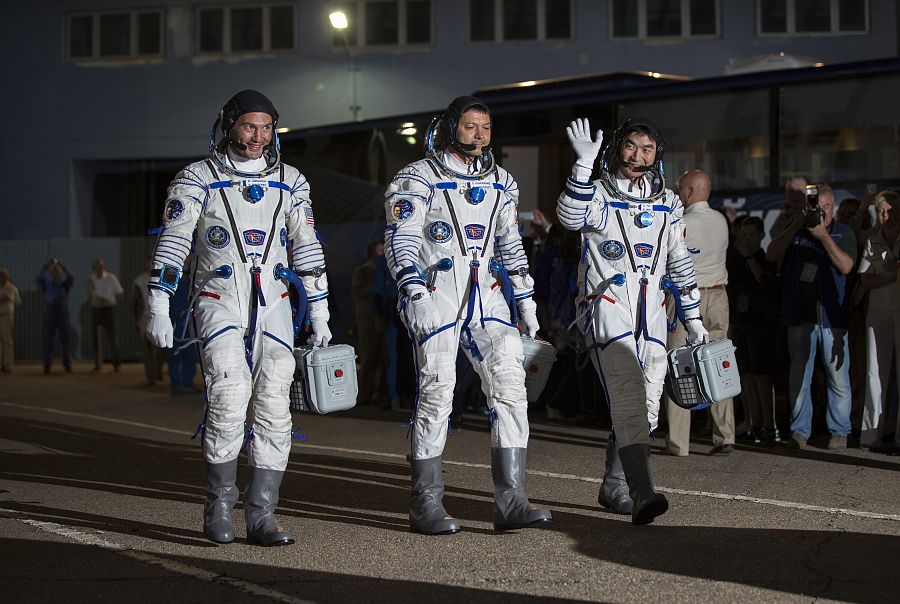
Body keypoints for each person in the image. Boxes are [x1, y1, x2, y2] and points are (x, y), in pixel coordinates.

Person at [145, 90, 332, 546]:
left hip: (274, 301)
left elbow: (306, 246)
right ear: (229, 124)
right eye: (249, 126)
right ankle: (218, 506)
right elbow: (174, 241)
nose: (257, 137)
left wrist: (322, 310)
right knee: (229, 394)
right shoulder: (197, 178)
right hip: (219, 295)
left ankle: (262, 514)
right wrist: (158, 302)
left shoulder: (291, 181)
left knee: (274, 404)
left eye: (266, 128)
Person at [384, 95, 552, 534]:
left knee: (511, 386)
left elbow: (510, 245)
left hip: (488, 295)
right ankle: (426, 503)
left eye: (486, 128)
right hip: (437, 291)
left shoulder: (502, 182)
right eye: (470, 127)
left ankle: (511, 501)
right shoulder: (418, 177)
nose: (479, 136)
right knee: (438, 391)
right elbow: (401, 239)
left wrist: (527, 301)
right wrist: (412, 288)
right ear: (450, 129)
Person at [557, 117, 708, 525]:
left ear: (657, 155)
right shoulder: (598, 192)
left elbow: (679, 260)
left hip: (653, 311)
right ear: (617, 148)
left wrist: (692, 318)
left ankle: (615, 485)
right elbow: (570, 218)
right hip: (607, 303)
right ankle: (642, 491)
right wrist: (583, 166)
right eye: (631, 147)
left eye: (647, 150)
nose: (637, 157)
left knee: (649, 401)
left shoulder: (668, 202)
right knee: (627, 390)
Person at [767, 184, 856, 450]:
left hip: (832, 317)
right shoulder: (798, 233)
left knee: (838, 379)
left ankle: (839, 431)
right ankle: (799, 431)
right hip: (800, 316)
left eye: (826, 207)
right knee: (799, 377)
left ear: (834, 209)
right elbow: (772, 254)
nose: (822, 211)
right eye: (817, 207)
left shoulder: (843, 232)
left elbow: (846, 266)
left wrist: (823, 236)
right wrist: (796, 225)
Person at [664, 170, 736, 456]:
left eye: (681, 188)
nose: (678, 191)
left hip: (685, 298)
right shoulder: (721, 220)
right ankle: (725, 435)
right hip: (718, 294)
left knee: (679, 364)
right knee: (720, 362)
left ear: (691, 191)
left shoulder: (681, 222)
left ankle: (679, 442)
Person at [728, 216, 780, 443]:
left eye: (752, 235)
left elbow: (764, 280)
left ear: (760, 235)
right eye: (744, 235)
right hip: (740, 320)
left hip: (760, 321)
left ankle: (770, 424)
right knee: (745, 375)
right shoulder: (734, 259)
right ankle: (752, 421)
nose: (748, 239)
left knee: (762, 374)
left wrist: (748, 256)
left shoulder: (765, 257)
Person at [857, 190, 900, 452]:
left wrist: (882, 275)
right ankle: (870, 435)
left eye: (890, 210)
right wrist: (891, 275)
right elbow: (865, 280)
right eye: (881, 211)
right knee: (874, 371)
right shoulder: (873, 239)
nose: (885, 215)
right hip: (878, 309)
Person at [351, 240, 387, 405]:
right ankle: (364, 394)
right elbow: (357, 293)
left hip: (383, 317)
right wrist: (376, 285)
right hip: (367, 320)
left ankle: (379, 393)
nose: (383, 254)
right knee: (368, 358)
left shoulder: (388, 270)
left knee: (383, 357)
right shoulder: (364, 271)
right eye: (380, 251)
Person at [36, 258, 74, 374]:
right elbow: (40, 277)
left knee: (65, 339)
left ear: (61, 274)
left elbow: (71, 277)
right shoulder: (47, 284)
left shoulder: (65, 284)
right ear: (51, 274)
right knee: (48, 340)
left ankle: (67, 364)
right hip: (50, 313)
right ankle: (47, 365)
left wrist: (64, 267)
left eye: (58, 271)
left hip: (62, 313)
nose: (56, 273)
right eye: (54, 271)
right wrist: (46, 266)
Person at [132, 260, 166, 386]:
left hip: (160, 316)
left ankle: (157, 372)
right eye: (149, 263)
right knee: (147, 348)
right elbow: (134, 300)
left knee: (161, 347)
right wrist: (137, 319)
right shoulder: (140, 280)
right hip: (146, 317)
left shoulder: (162, 277)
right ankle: (151, 376)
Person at [87, 257, 124, 372]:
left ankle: (116, 364)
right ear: (94, 268)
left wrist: (113, 304)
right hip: (96, 309)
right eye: (97, 266)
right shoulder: (91, 280)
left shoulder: (111, 278)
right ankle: (98, 364)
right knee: (95, 338)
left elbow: (119, 293)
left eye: (101, 266)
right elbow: (90, 293)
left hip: (109, 309)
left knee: (113, 337)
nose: (99, 268)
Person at [0, 268, 21, 373]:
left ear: (6, 277)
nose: (1, 278)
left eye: (2, 275)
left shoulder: (10, 288)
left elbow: (4, 299)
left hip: (5, 317)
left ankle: (8, 366)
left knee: (6, 341)